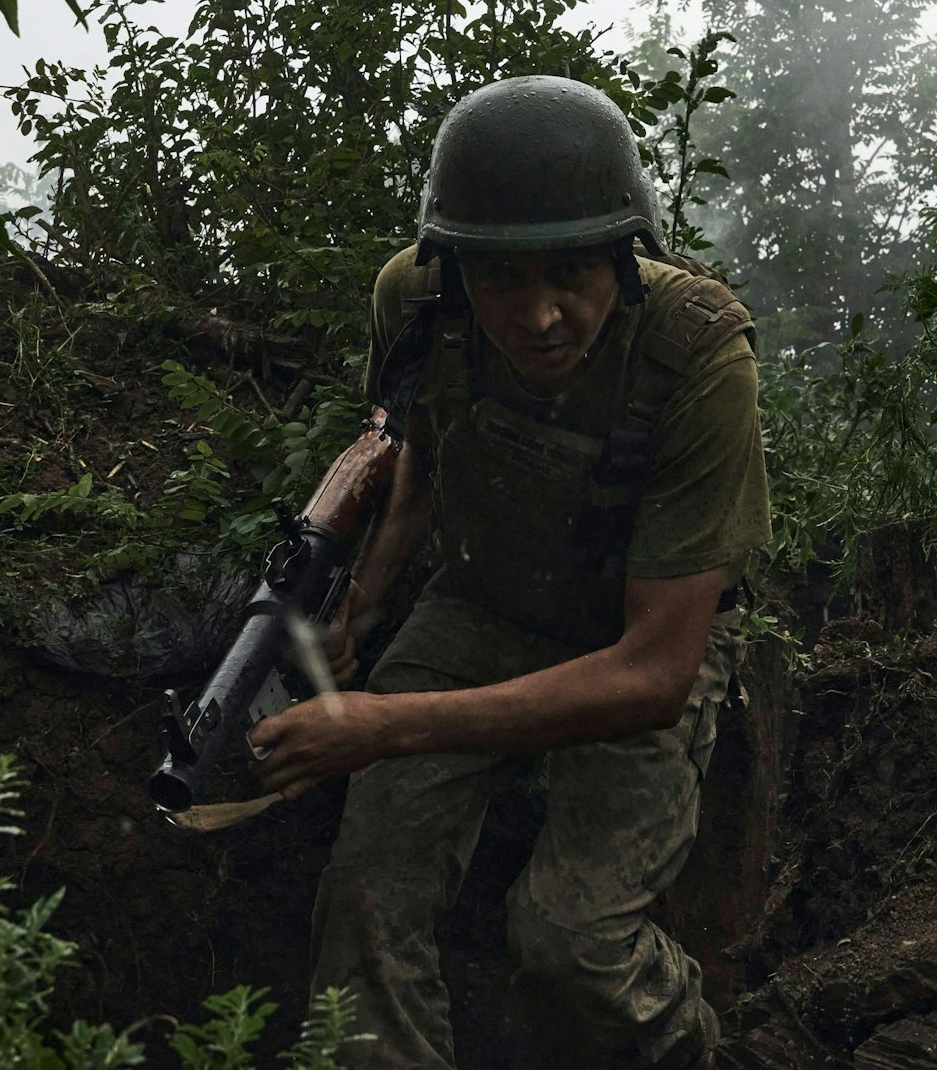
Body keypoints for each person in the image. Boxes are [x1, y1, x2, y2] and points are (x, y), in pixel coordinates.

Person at [244, 75, 770, 1070]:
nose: (538, 317)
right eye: (501, 281)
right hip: (478, 608)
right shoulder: (415, 297)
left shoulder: (696, 355)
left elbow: (654, 672)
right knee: (363, 902)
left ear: (627, 251)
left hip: (632, 635)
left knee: (570, 943)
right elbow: (416, 449)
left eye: (573, 273)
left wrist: (380, 726)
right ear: (456, 267)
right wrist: (362, 599)